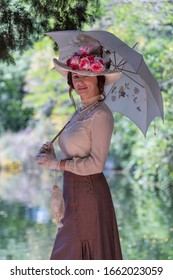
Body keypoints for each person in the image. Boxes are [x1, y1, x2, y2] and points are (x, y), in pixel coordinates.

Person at [35, 33, 123, 260]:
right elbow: (75, 152)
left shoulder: (101, 114)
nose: (79, 82)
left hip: (89, 195)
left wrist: (56, 163)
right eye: (75, 76)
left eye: (85, 76)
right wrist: (54, 154)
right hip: (71, 191)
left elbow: (96, 164)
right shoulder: (80, 113)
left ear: (99, 79)